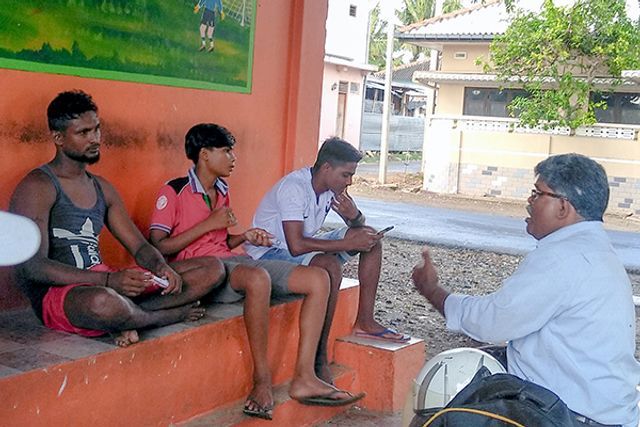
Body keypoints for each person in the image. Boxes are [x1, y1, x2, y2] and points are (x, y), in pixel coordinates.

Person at [148, 124, 364, 420]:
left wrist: (244, 237)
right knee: (258, 278)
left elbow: (218, 242)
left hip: (231, 261)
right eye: (226, 151)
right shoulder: (174, 191)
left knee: (318, 278)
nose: (233, 158)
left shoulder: (221, 190)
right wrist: (209, 224)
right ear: (205, 155)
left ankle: (305, 377)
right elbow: (157, 247)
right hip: (202, 272)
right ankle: (261, 381)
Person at [411, 153, 640, 427]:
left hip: (570, 417)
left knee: (440, 397)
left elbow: (493, 322)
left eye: (537, 193)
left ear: (563, 207)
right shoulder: (596, 251)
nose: (529, 202)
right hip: (607, 411)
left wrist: (433, 291)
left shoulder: (563, 258)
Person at [9, 90, 224, 348]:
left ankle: (127, 316)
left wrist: (160, 268)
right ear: (58, 138)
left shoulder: (102, 187)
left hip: (104, 281)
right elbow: (33, 267)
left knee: (212, 269)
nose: (95, 139)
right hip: (62, 295)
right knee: (103, 303)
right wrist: (109, 282)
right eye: (83, 132)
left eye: (97, 129)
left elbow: (139, 246)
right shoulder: (38, 186)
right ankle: (161, 316)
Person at [245, 136, 409, 384]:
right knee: (329, 265)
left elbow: (356, 227)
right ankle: (319, 356)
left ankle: (365, 321)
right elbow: (296, 245)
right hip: (269, 252)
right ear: (326, 168)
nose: (349, 181)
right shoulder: (294, 188)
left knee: (370, 239)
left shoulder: (332, 189)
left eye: (351, 175)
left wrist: (356, 217)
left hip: (297, 248)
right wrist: (347, 244)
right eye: (346, 175)